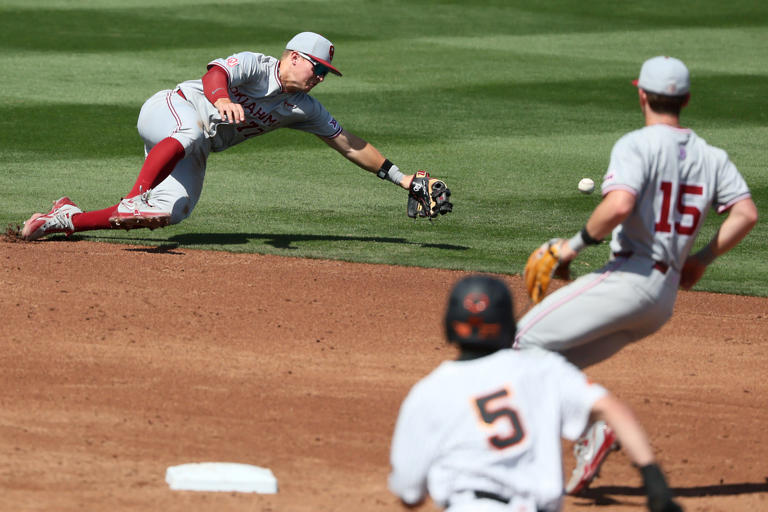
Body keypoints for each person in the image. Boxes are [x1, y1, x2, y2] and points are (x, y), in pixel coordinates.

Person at [513, 56, 758, 493]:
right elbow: (746, 213)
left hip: (628, 280)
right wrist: (700, 259)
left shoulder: (637, 144)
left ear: (641, 94)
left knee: (520, 344)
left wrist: (569, 247)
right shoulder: (712, 156)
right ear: (684, 99)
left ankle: (593, 425)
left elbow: (620, 204)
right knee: (557, 362)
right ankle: (590, 434)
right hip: (662, 300)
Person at [20, 32, 449, 241]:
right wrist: (222, 99)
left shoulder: (305, 109)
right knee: (189, 128)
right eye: (316, 67)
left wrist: (404, 179)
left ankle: (63, 218)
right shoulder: (257, 64)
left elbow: (349, 143)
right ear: (293, 57)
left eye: (325, 73)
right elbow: (215, 75)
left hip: (194, 146)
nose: (320, 77)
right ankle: (136, 192)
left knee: (172, 212)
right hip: (169, 110)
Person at [388, 275, 682, 512]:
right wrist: (654, 482)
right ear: (506, 324)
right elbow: (613, 411)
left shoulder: (428, 392)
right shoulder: (543, 369)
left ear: (450, 326)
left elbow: (409, 493)